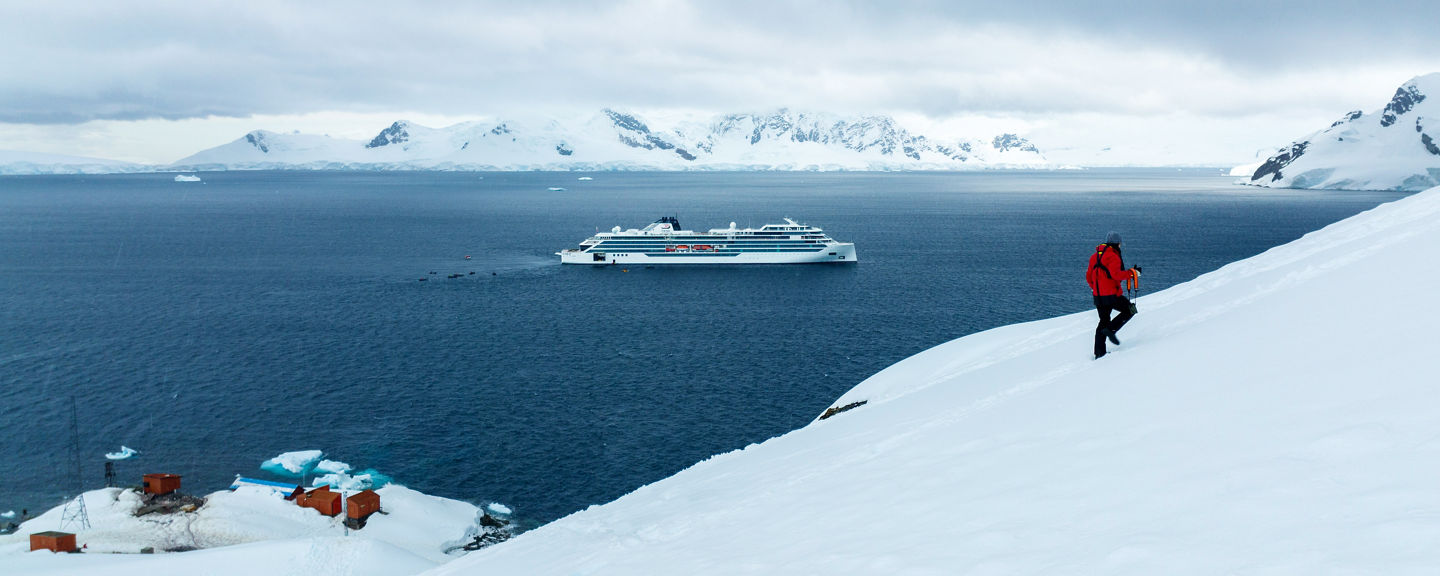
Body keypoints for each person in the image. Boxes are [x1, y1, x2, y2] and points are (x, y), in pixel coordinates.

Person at [1087, 231, 1140, 359]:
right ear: (1117, 244)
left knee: (1103, 321)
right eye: (1120, 244)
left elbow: (1089, 276)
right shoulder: (1113, 256)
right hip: (1111, 294)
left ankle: (1099, 353)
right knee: (1130, 310)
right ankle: (1110, 330)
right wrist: (1133, 273)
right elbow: (1116, 275)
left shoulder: (1094, 256)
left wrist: (1095, 288)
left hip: (1098, 296)